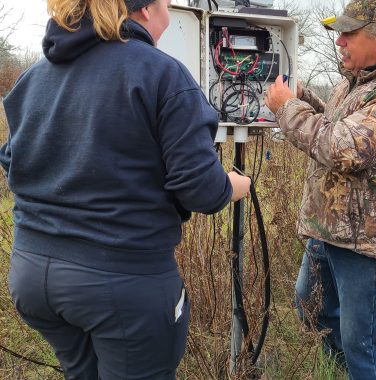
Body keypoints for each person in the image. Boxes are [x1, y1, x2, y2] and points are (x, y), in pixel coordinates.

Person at [0, 0, 251, 378]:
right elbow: (199, 188)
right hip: (121, 282)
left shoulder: (35, 77)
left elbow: (12, 161)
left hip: (33, 276)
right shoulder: (162, 74)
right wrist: (236, 184)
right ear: (147, 10)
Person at [265, 0, 376, 378]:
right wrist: (301, 97)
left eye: (349, 33)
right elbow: (336, 121)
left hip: (368, 244)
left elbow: (346, 147)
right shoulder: (356, 80)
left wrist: (287, 110)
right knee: (312, 306)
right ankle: (347, 371)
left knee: (365, 343)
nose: (339, 41)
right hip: (329, 230)